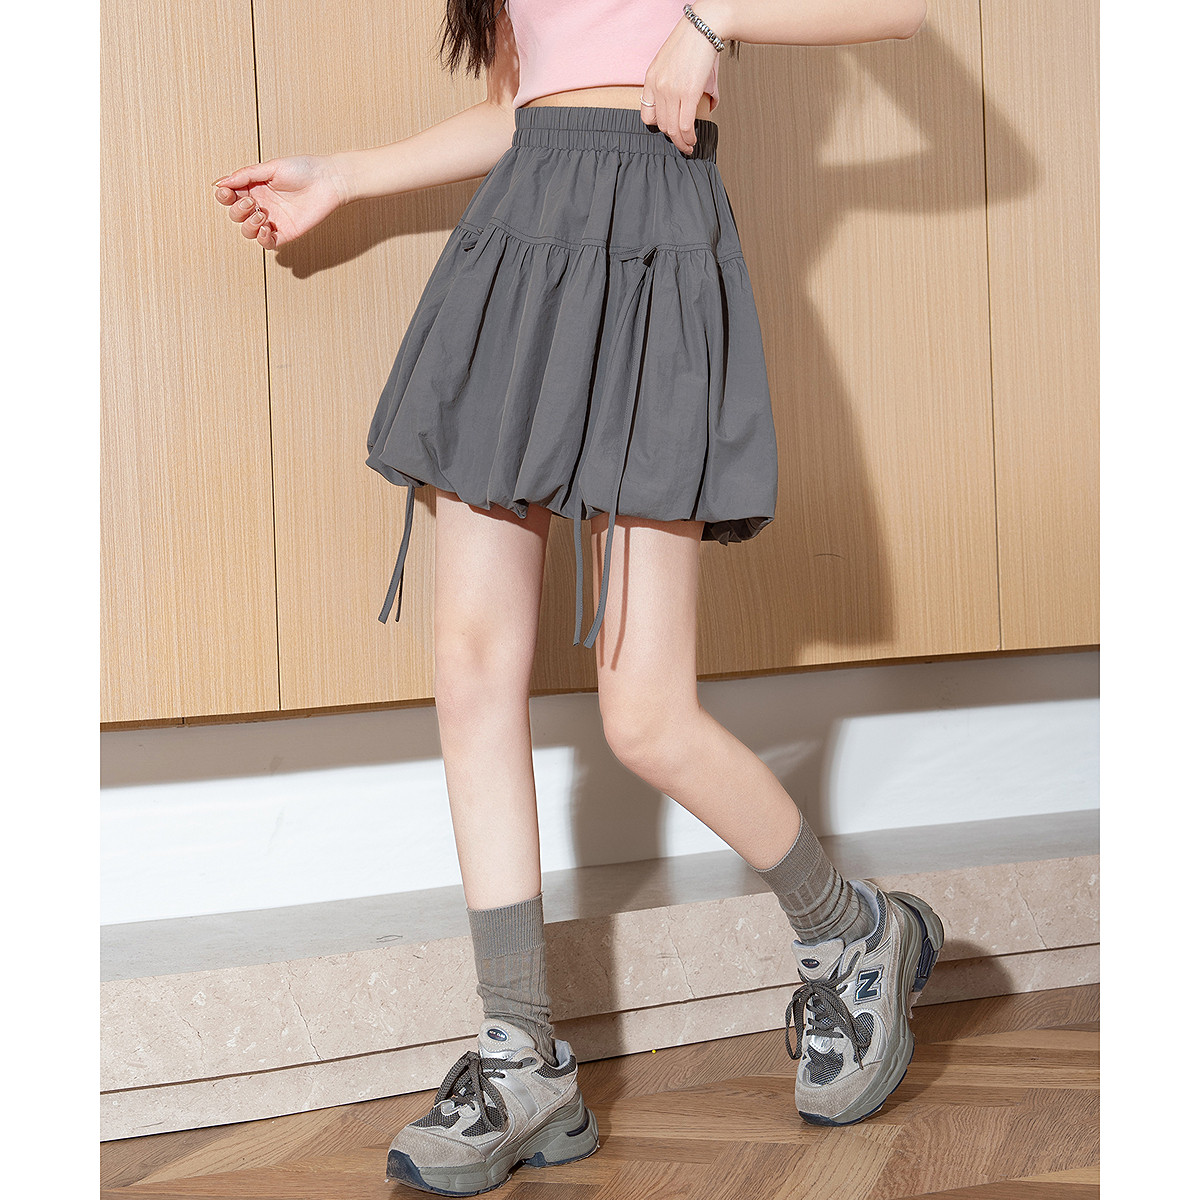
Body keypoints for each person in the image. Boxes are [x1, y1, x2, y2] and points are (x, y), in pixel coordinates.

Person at [213, 1, 935, 1193]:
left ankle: (854, 929)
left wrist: (712, 22)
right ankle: (522, 1055)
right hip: (520, 248)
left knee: (645, 715)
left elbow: (899, 11)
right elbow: (526, 106)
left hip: (655, 247)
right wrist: (343, 175)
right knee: (471, 671)